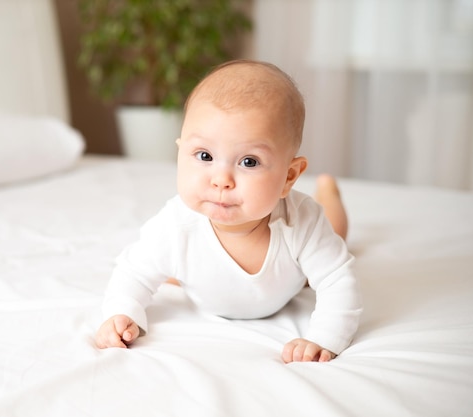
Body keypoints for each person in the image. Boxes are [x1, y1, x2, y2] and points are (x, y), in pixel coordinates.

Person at [95, 60, 362, 362]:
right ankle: (182, 274)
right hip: (200, 282)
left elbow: (338, 281)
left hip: (292, 277)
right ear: (181, 152)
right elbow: (133, 273)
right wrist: (121, 313)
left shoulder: (301, 222)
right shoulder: (176, 226)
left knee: (335, 233)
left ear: (289, 176)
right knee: (166, 267)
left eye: (249, 162)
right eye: (204, 155)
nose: (221, 180)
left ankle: (328, 191)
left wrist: (325, 338)